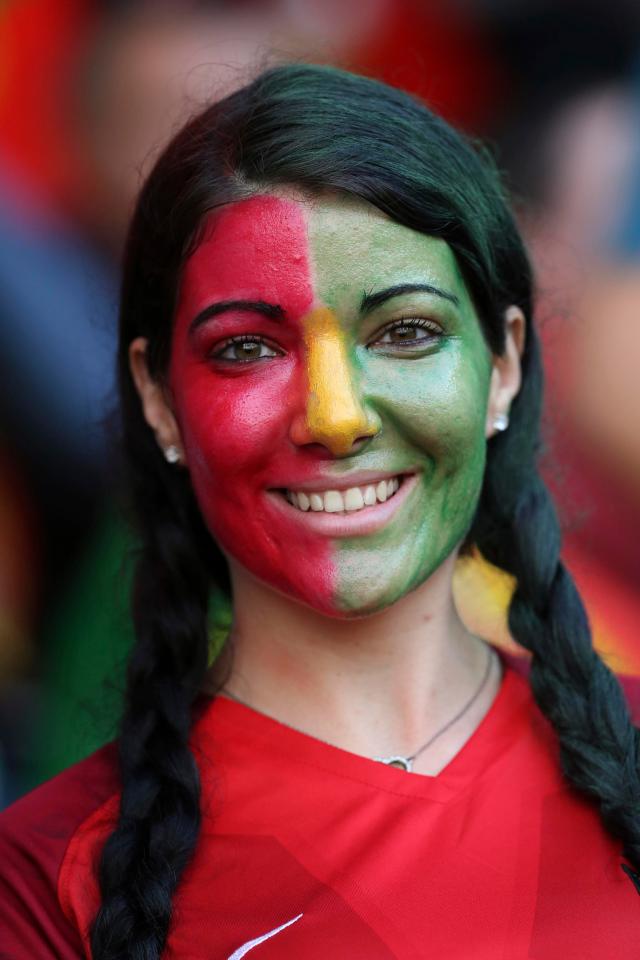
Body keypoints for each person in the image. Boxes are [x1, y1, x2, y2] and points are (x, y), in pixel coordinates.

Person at [1, 63, 639, 960]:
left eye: (406, 332)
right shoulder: (42, 883)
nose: (337, 417)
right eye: (249, 347)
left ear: (503, 362)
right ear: (157, 398)